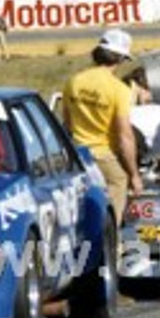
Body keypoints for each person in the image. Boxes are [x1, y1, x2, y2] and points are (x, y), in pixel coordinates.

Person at [62, 30, 143, 224]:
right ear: (121, 58)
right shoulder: (119, 90)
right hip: (104, 155)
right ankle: (110, 237)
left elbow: (67, 123)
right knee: (118, 182)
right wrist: (134, 174)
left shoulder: (74, 82)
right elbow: (125, 136)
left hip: (78, 153)